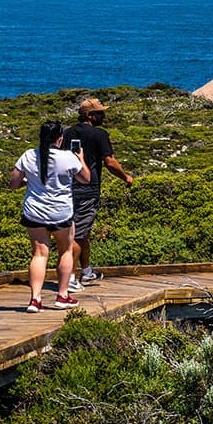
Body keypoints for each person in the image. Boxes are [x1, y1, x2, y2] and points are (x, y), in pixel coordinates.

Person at [9, 120, 90, 312]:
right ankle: (62, 295)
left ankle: (35, 300)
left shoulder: (28, 156)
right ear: (59, 139)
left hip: (34, 212)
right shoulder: (68, 158)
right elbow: (86, 179)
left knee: (39, 254)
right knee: (65, 251)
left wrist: (26, 183)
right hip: (61, 212)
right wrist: (81, 159)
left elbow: (13, 183)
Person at [63, 97, 134, 285]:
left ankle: (86, 272)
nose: (103, 115)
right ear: (90, 115)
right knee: (78, 234)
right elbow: (109, 162)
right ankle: (69, 278)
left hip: (68, 187)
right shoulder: (99, 134)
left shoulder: (67, 133)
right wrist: (126, 177)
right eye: (100, 113)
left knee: (81, 231)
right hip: (88, 188)